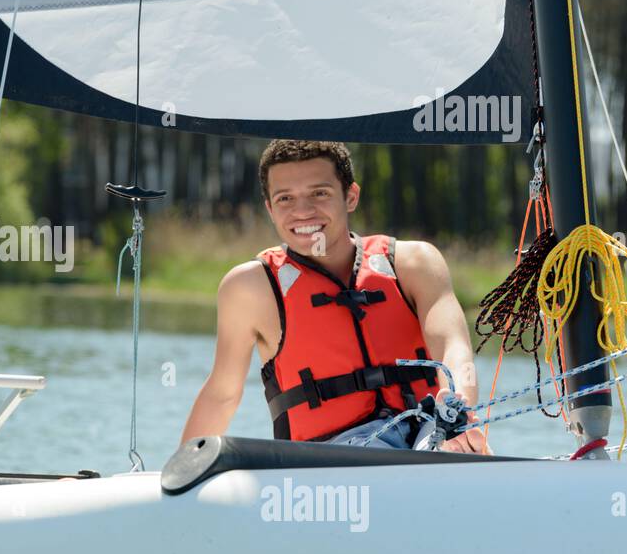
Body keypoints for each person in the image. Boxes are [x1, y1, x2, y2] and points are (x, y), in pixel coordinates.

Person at [179, 139, 491, 454]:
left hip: (431, 430)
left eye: (319, 193)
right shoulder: (249, 287)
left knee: (458, 446)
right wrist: (181, 475)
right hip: (332, 461)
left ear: (350, 196)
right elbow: (222, 394)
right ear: (270, 209)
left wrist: (456, 403)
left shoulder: (415, 263)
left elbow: (453, 346)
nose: (302, 211)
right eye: (285, 198)